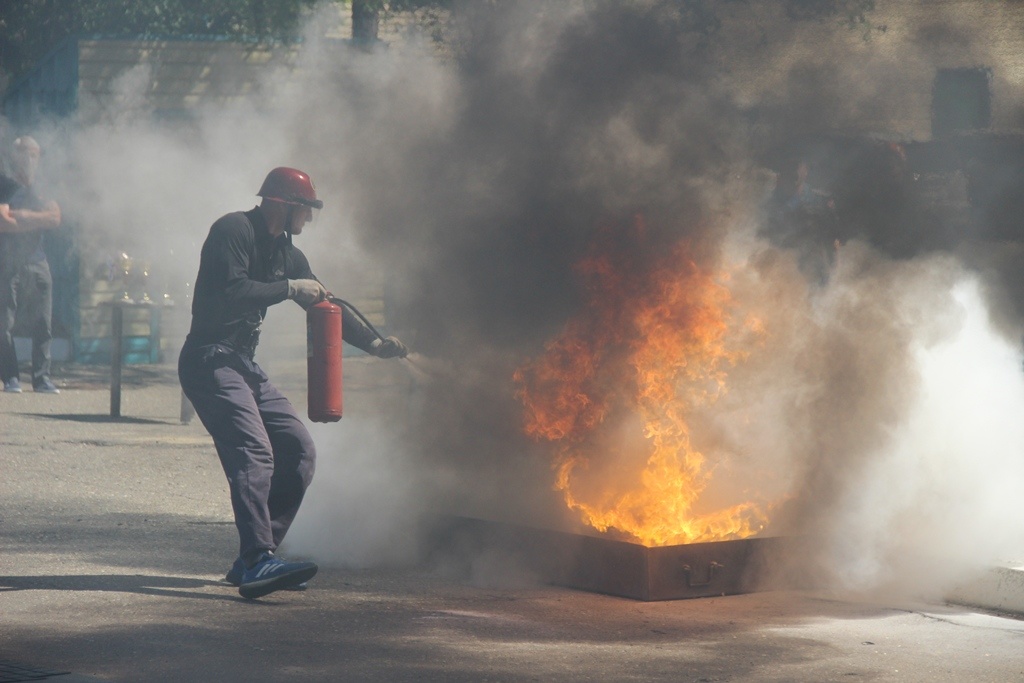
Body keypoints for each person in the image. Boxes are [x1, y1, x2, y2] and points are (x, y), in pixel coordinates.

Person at [178, 167, 409, 599]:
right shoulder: (233, 230)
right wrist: (287, 288)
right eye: (307, 209)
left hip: (243, 363)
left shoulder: (288, 254)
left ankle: (254, 557)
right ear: (283, 205)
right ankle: (256, 559)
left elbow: (328, 305)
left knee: (298, 449)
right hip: (209, 359)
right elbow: (230, 292)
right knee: (254, 449)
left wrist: (374, 343)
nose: (310, 219)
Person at [0, 136, 63, 394]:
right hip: (8, 263)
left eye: (33, 154)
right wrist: (39, 219)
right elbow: (3, 222)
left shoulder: (43, 187)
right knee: (5, 323)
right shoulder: (4, 184)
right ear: (14, 156)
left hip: (38, 263)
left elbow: (55, 218)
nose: (28, 158)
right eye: (23, 153)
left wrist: (23, 216)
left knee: (43, 324)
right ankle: (10, 378)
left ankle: (41, 378)